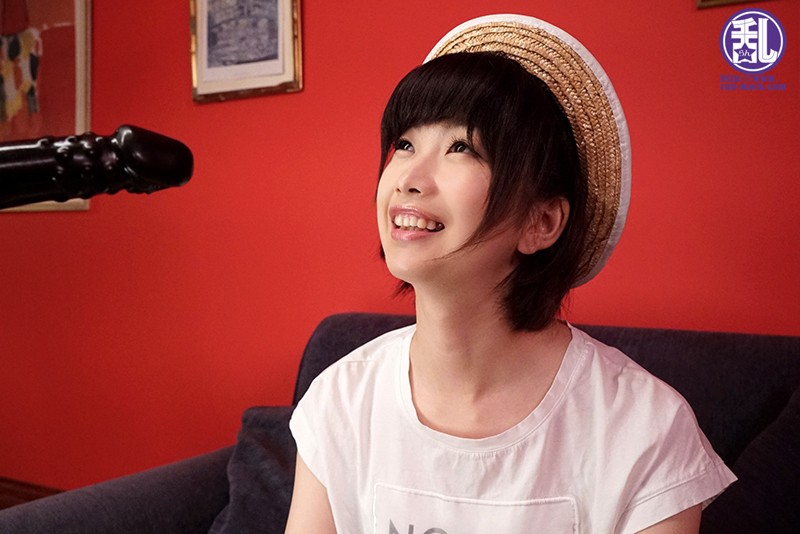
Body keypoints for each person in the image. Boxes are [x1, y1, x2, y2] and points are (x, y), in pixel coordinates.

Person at [285, 14, 735, 533]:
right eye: (404, 144)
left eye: (461, 148)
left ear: (541, 223)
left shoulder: (643, 427)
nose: (409, 178)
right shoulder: (340, 401)